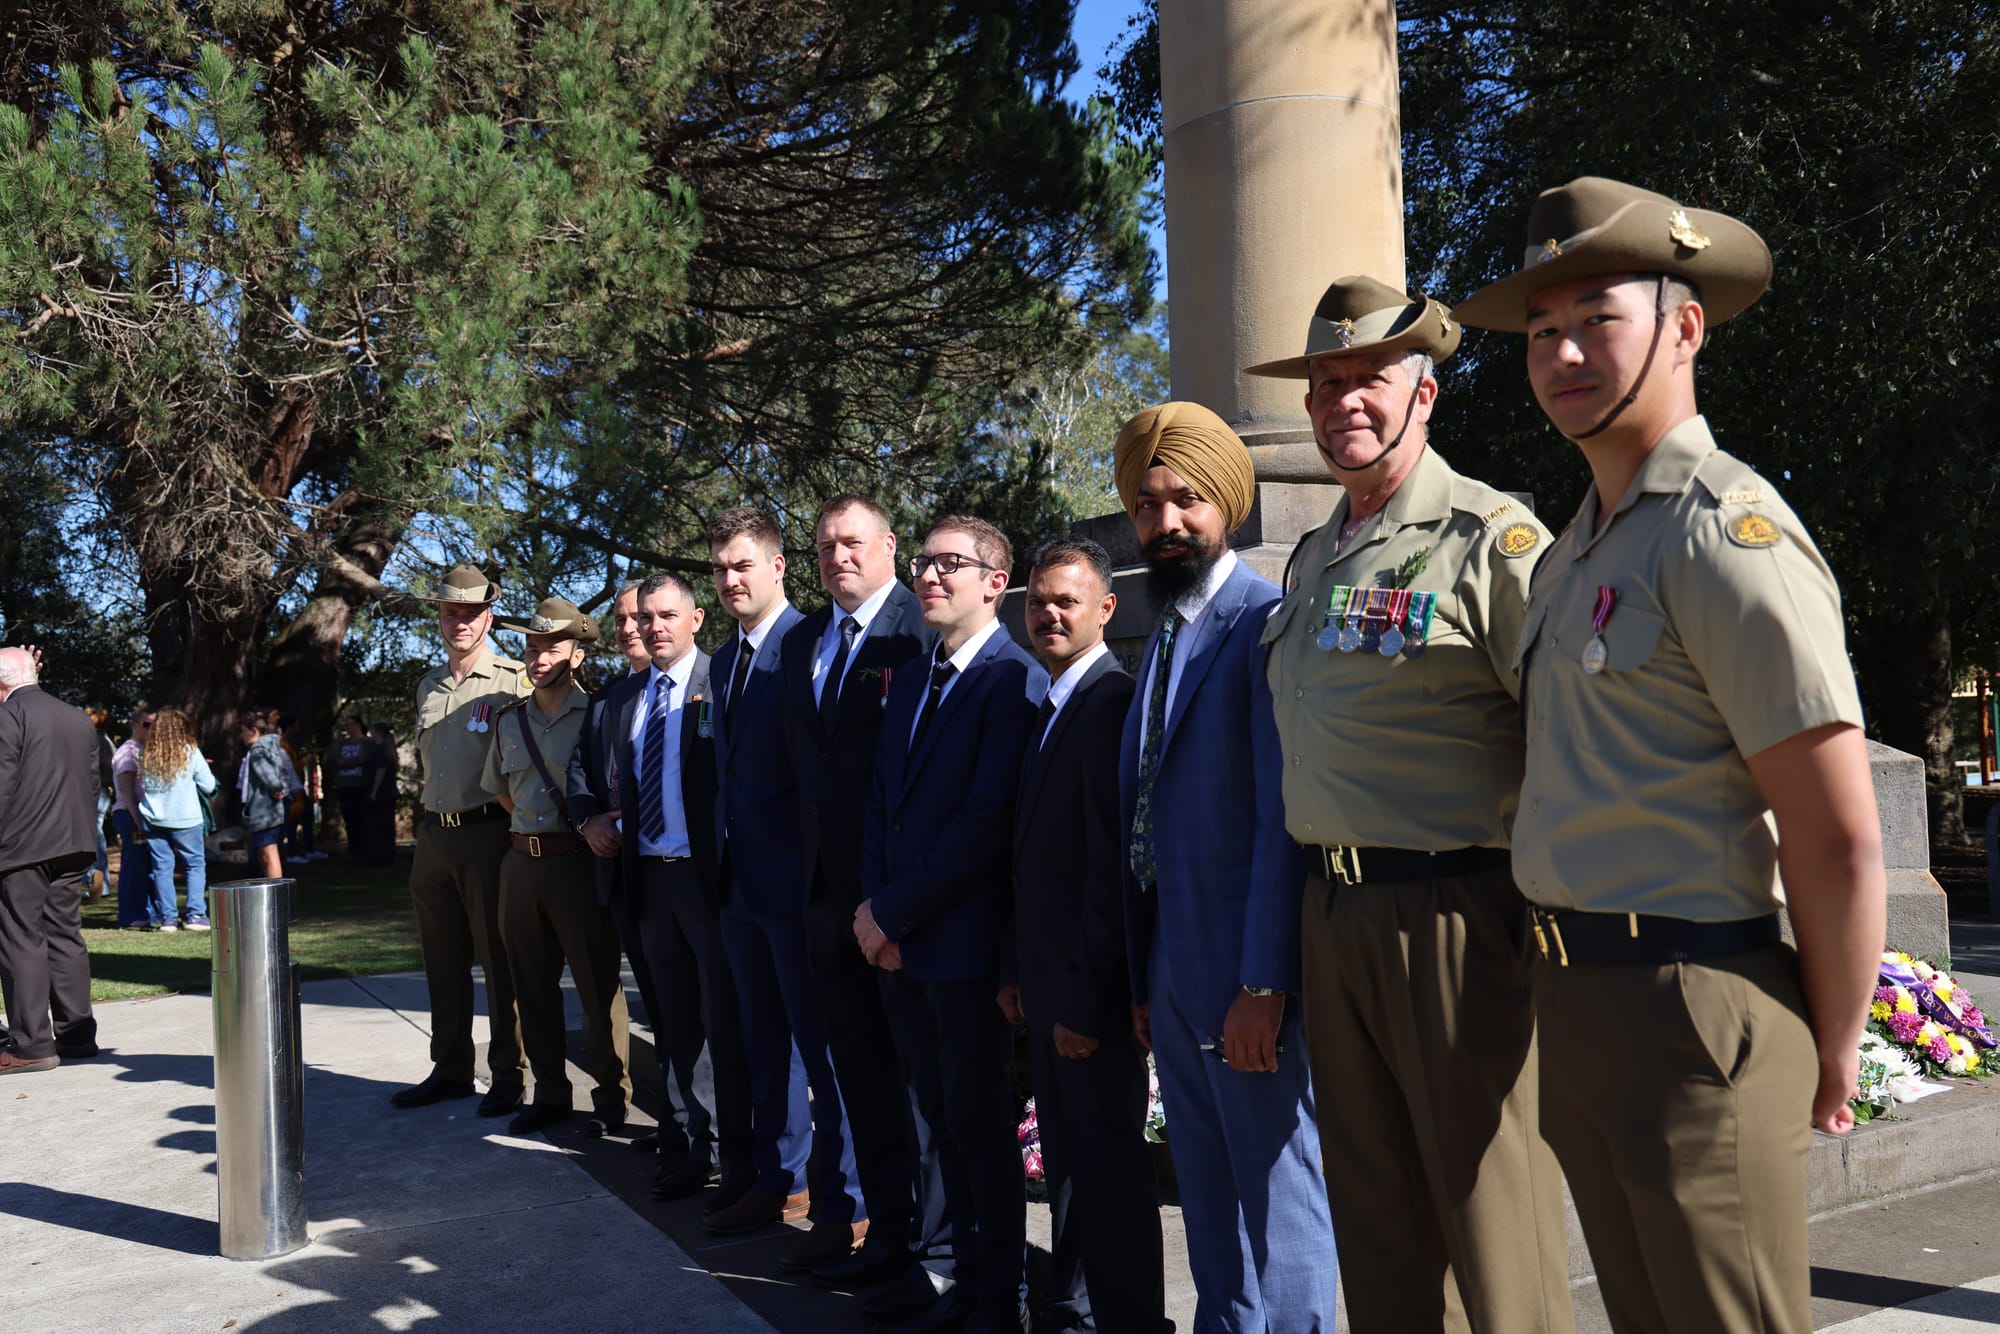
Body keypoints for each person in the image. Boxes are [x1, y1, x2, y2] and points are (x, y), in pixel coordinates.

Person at [1452, 176, 1886, 1333]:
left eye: (1597, 318)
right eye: (1540, 332)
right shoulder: (1571, 553)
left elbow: (1836, 830)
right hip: (1582, 998)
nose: (1560, 354)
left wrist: (1834, 1040)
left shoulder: (1723, 532)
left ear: (1682, 326)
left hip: (1692, 1005)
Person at [1245, 275, 1572, 1331]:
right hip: (1331, 915)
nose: (1345, 399)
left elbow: (1573, 733)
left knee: (1492, 1222)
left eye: (1369, 379)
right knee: (1377, 1223)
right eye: (1326, 382)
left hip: (1456, 914)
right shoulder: (1308, 559)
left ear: (1421, 395)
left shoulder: (1490, 539)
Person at [1112, 403, 1337, 1333]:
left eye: (1188, 500)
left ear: (1231, 508)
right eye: (1148, 503)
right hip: (1171, 976)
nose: (1167, 523)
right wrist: (1145, 978)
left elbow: (1282, 820)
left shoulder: (1262, 625)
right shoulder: (1163, 637)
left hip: (1245, 982)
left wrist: (1263, 982)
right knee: (1208, 1215)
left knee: (1279, 1212)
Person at [857, 514, 1045, 1334]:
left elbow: (980, 827)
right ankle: (963, 1285)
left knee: (978, 1133)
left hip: (965, 953)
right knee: (936, 1123)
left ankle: (998, 1300)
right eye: (924, 564)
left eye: (950, 565)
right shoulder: (912, 673)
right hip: (902, 951)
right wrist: (874, 912)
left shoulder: (1012, 680)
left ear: (994, 583)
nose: (929, 577)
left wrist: (891, 911)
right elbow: (880, 808)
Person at [1000, 537, 1167, 1334]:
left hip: (1088, 1003)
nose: (1049, 614)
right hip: (1047, 985)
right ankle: (1070, 1312)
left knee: (1111, 1178)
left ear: (1107, 608)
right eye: (1038, 601)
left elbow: (1110, 870)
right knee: (1067, 1173)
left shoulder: (1108, 705)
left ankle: (1132, 1320)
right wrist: (1018, 973)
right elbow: (1030, 862)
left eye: (1067, 600)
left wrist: (1081, 998)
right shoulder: (1051, 702)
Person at [777, 495, 937, 1295]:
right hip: (822, 904)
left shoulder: (921, 629)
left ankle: (937, 1255)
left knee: (919, 1087)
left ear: (890, 546)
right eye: (825, 545)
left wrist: (896, 901)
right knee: (861, 1081)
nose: (837, 556)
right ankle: (887, 1237)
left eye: (852, 542)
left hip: (897, 904)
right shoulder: (806, 640)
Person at [568, 573, 757, 1211]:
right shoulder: (624, 698)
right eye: (645, 618)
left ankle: (739, 1158)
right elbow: (592, 773)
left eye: (667, 615)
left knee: (722, 1024)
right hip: (647, 879)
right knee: (673, 1024)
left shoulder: (721, 683)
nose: (654, 627)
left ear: (696, 619)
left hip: (709, 882)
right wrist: (592, 816)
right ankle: (687, 1146)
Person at [706, 507, 863, 1259]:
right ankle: (781, 1180)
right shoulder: (725, 659)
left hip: (799, 889)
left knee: (824, 1054)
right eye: (720, 568)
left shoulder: (809, 644)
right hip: (739, 885)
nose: (731, 579)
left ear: (778, 567)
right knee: (764, 1048)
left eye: (744, 565)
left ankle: (848, 1203)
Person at [481, 598, 631, 1138]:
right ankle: (549, 1093)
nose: (539, 657)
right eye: (532, 647)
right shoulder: (509, 721)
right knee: (530, 985)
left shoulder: (600, 715)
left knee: (597, 986)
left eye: (551, 647)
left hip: (578, 864)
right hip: (521, 866)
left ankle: (612, 1095)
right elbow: (501, 791)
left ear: (577, 654)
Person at [391, 564, 530, 1117]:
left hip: (487, 834)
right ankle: (449, 1067)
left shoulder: (512, 679)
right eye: (452, 614)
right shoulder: (428, 686)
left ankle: (507, 1075)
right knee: (441, 959)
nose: (461, 623)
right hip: (434, 837)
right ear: (440, 618)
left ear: (488, 617)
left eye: (471, 614)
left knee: (498, 960)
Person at [0, 647, 101, 1074]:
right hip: (75, 841)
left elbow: (1, 783)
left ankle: (31, 1045)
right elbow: (93, 782)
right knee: (65, 934)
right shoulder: (77, 717)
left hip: (22, 846)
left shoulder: (10, 716)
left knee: (20, 938)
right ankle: (77, 1035)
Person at [138, 707, 218, 934]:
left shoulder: (147, 752)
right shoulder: (190, 752)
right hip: (186, 819)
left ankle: (168, 919)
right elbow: (209, 785)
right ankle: (195, 915)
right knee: (194, 865)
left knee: (162, 868)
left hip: (154, 819)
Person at [110, 708, 156, 928]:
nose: (152, 729)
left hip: (142, 814)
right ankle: (132, 915)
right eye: (147, 724)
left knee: (147, 866)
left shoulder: (145, 749)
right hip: (130, 813)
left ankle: (148, 913)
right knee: (134, 866)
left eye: (155, 725)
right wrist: (137, 819)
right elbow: (125, 789)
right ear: (134, 724)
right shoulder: (127, 752)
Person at [238, 715, 292, 880]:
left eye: (243, 731)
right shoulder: (271, 748)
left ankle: (275, 891)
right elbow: (283, 773)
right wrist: (284, 789)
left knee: (268, 851)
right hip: (272, 808)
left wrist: (276, 787)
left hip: (264, 809)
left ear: (254, 731)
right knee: (266, 851)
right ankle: (272, 888)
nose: (241, 735)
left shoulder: (257, 750)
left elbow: (267, 774)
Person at [332, 717, 374, 862]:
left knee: (362, 819)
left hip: (360, 786)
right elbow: (334, 759)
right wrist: (346, 763)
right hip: (344, 786)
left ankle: (365, 850)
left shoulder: (367, 742)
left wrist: (346, 762)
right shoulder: (341, 744)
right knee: (349, 820)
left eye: (349, 724)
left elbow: (364, 758)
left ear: (358, 725)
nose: (346, 727)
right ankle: (353, 850)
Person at [85, 707, 114, 901]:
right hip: (103, 791)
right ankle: (101, 883)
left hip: (92, 791)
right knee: (97, 832)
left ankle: (93, 877)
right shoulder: (108, 742)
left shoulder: (91, 741)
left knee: (91, 834)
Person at [366, 724, 399, 864]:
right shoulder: (388, 749)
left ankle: (381, 856)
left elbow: (381, 770)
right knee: (387, 823)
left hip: (382, 793)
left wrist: (374, 791)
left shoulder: (381, 749)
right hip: (388, 792)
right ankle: (387, 854)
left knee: (379, 824)